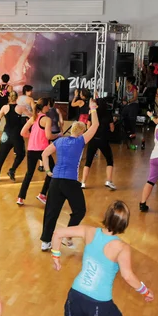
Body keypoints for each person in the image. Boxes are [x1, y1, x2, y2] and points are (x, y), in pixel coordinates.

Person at [48, 201, 154, 316]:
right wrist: (145, 291)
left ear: (106, 216)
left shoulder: (89, 231)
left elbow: (57, 233)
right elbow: (128, 276)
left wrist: (56, 257)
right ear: (125, 224)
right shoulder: (121, 247)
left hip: (75, 296)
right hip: (99, 305)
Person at [40, 99, 99, 251]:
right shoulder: (80, 141)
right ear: (81, 132)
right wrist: (92, 108)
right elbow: (96, 125)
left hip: (56, 181)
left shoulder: (60, 141)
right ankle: (67, 236)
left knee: (51, 212)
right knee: (79, 210)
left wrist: (48, 171)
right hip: (70, 182)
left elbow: (45, 154)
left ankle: (45, 242)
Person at [16, 98, 58, 205]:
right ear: (44, 107)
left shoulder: (33, 118)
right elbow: (49, 136)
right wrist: (57, 135)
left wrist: (33, 137)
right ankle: (43, 194)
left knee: (29, 174)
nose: (49, 107)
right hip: (43, 151)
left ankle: (20, 198)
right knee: (52, 171)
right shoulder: (47, 119)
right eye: (48, 105)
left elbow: (22, 133)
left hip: (31, 150)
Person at [81, 97, 116, 190]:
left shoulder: (93, 113)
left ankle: (83, 182)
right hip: (104, 140)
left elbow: (88, 126)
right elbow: (112, 129)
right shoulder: (108, 113)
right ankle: (109, 181)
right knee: (109, 160)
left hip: (93, 139)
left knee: (88, 161)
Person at [0, 91, 27, 182]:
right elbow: (32, 116)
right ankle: (12, 170)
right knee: (21, 154)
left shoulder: (4, 107)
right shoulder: (20, 108)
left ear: (8, 98)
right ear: (17, 98)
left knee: (1, 155)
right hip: (16, 135)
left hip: (6, 134)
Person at [120, 76, 138, 141]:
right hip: (128, 104)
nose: (126, 81)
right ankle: (126, 130)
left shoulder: (134, 88)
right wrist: (124, 99)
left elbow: (135, 97)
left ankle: (133, 132)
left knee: (132, 118)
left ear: (130, 81)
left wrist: (128, 101)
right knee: (123, 114)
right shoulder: (126, 87)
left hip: (134, 104)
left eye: (127, 80)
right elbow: (126, 95)